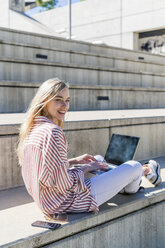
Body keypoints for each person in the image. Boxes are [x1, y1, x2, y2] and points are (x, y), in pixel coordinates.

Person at [17, 78, 162, 217]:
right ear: (45, 101)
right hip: (67, 201)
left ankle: (122, 181)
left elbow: (47, 170)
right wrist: (84, 169)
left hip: (46, 200)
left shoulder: (32, 128)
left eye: (67, 100)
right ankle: (146, 171)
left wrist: (74, 161)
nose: (65, 105)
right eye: (58, 100)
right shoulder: (52, 132)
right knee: (133, 166)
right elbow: (63, 184)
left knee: (98, 160)